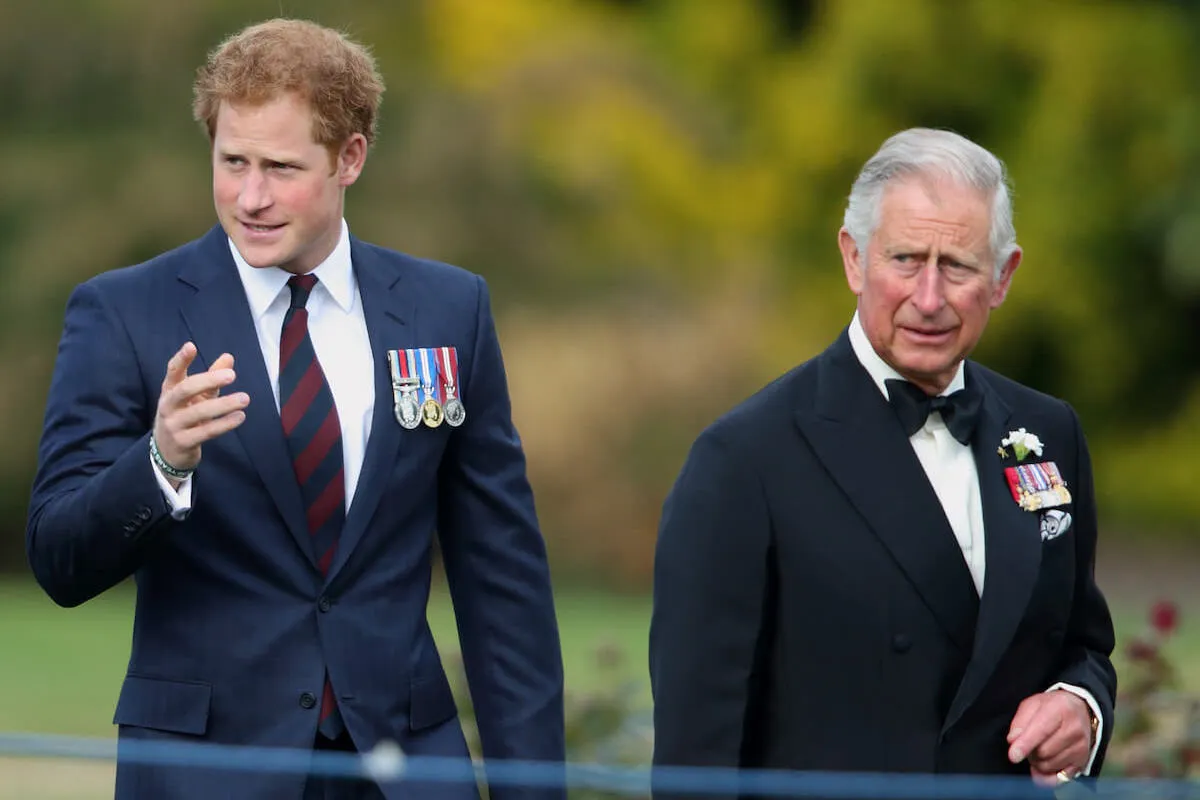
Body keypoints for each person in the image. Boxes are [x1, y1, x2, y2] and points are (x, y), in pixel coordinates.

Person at [26, 18, 565, 800]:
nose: (250, 196)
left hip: (403, 772)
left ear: (351, 157)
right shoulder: (123, 313)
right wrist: (159, 463)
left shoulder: (447, 311)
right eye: (232, 161)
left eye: (280, 167)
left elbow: (502, 579)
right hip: (204, 774)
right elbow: (58, 559)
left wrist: (532, 789)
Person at [648, 128, 1117, 795]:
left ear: (1004, 276)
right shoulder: (743, 459)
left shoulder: (1049, 431)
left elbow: (1082, 643)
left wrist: (1082, 707)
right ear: (854, 259)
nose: (929, 298)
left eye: (957, 266)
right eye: (905, 260)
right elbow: (697, 755)